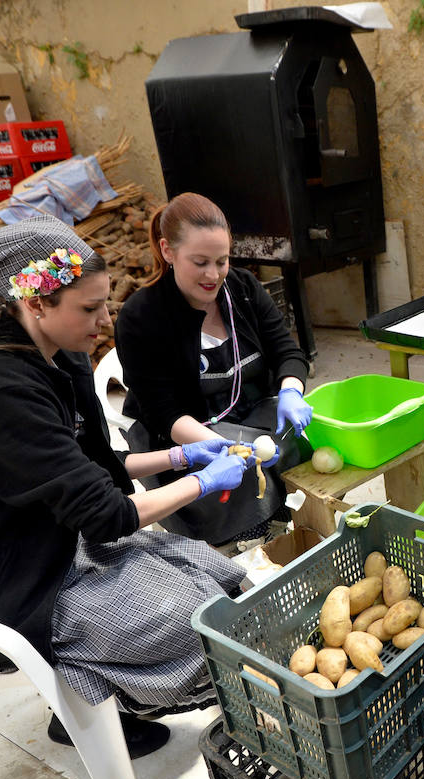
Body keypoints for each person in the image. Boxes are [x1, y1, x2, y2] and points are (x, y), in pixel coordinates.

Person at [0, 215, 263, 758]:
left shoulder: (61, 359)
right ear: (36, 304)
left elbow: (95, 467)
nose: (105, 322)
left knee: (220, 574)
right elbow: (106, 515)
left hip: (42, 538)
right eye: (90, 309)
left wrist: (182, 453)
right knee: (191, 622)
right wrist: (203, 482)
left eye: (105, 304)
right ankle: (91, 702)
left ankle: (91, 702)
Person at [115, 192, 312, 550]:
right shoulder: (142, 318)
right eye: (200, 262)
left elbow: (288, 351)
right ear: (168, 251)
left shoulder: (243, 290)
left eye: (221, 261)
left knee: (305, 446)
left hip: (252, 412)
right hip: (186, 437)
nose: (214, 274)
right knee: (246, 480)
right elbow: (164, 414)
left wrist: (291, 391)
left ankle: (297, 532)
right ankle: (242, 550)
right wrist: (217, 445)